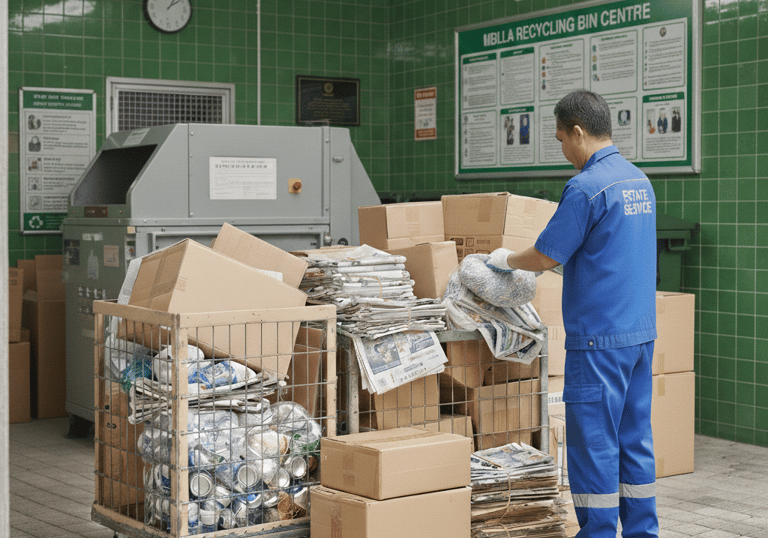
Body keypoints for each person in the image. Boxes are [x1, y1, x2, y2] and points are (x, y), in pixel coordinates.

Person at [487, 90, 659, 538]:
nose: (563, 149)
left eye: (562, 139)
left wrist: (506, 260)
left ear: (578, 132)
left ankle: (598, 533)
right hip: (639, 336)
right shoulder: (639, 180)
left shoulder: (586, 187)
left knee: (595, 445)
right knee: (634, 440)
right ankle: (643, 531)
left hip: (599, 340)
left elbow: (546, 255)